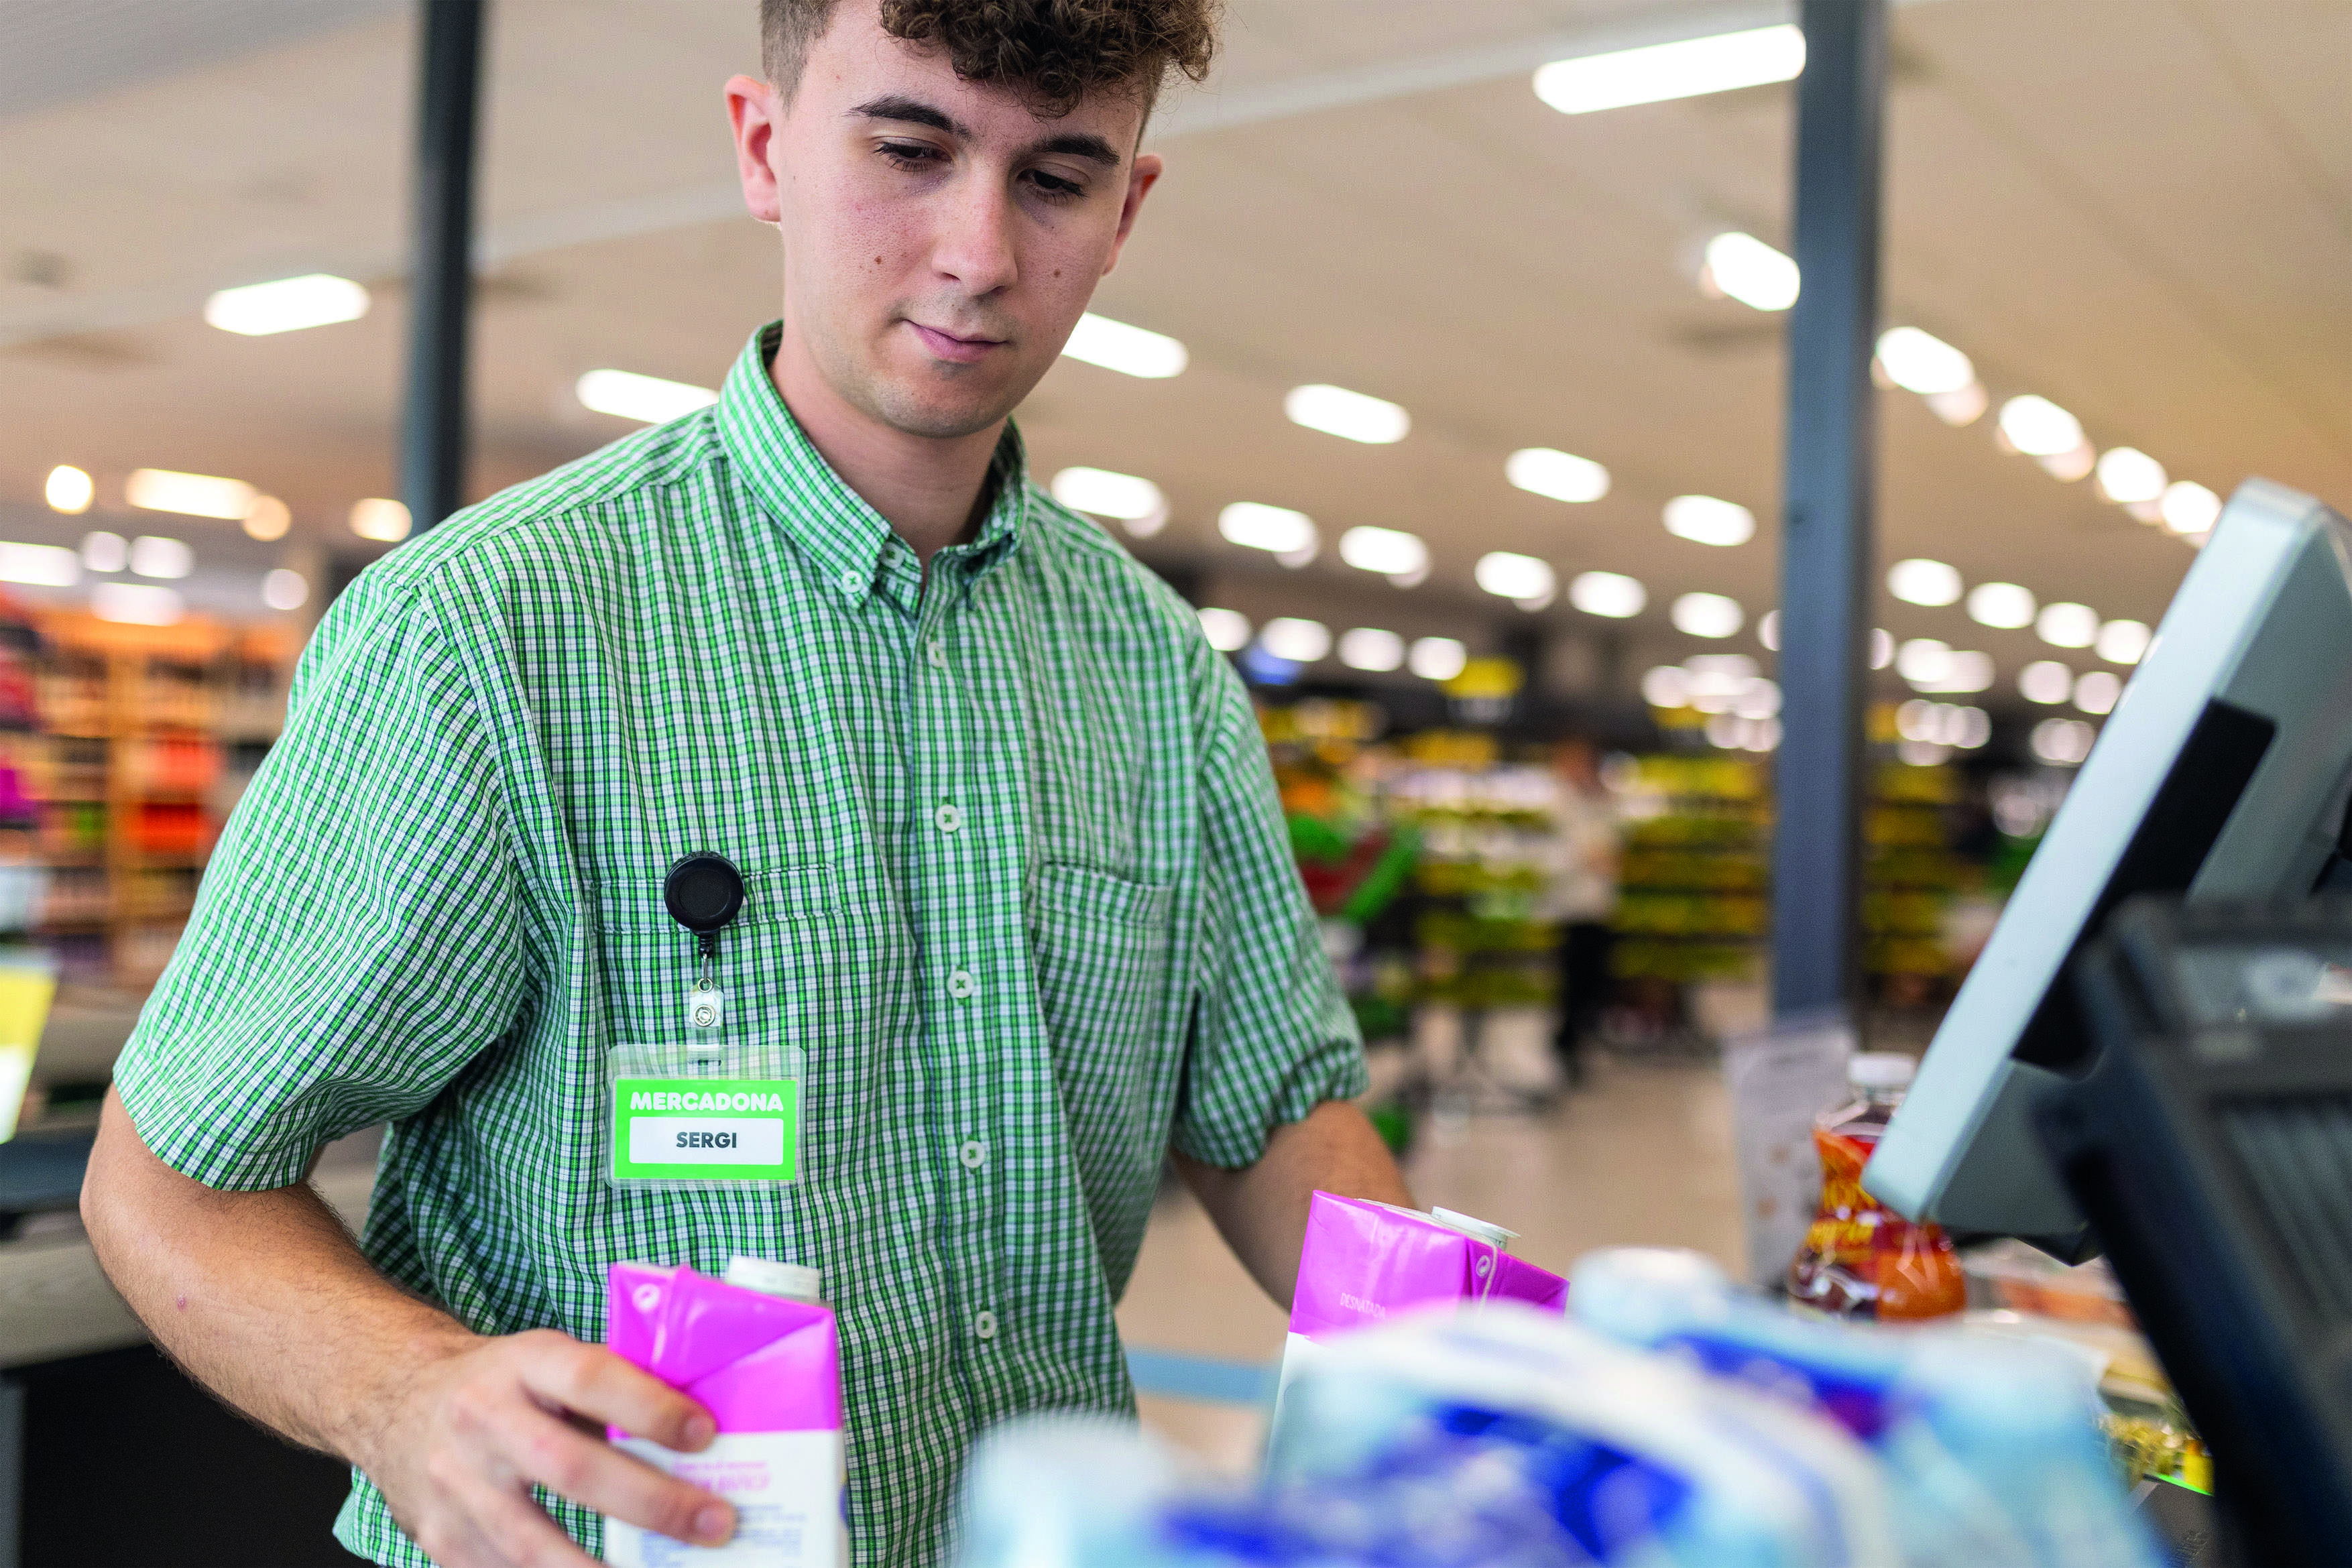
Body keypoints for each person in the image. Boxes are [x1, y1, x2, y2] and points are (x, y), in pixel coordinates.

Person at [77, 3, 1413, 1565]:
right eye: (911, 151)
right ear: (765, 148)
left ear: (1129, 209)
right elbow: (167, 1184)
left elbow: (1264, 1115)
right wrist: (405, 1392)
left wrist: (1482, 1355)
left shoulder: (1154, 672)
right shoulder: (496, 634)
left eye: (1057, 179)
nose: (978, 251)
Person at [1537, 737, 1621, 1085]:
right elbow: (1549, 858)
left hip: (1597, 908)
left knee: (1591, 983)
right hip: (1568, 909)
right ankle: (1564, 1046)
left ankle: (1577, 1045)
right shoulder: (1556, 805)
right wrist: (1585, 857)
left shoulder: (1600, 802)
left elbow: (1613, 844)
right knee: (1570, 985)